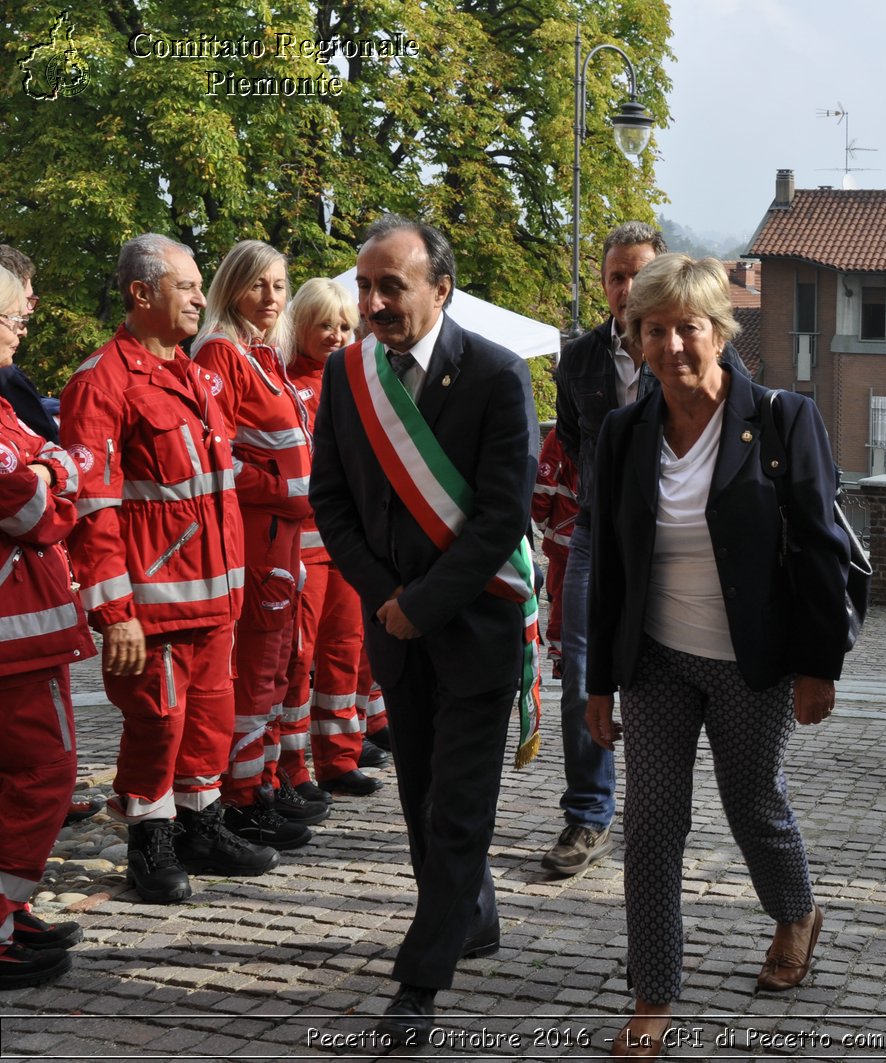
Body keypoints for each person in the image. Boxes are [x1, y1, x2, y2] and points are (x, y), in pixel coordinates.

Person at [584, 254, 848, 1059]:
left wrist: (819, 663)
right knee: (651, 827)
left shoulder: (779, 420)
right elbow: (610, 561)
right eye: (652, 330)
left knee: (751, 803)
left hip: (751, 659)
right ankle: (653, 992)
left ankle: (796, 909)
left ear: (720, 330)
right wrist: (596, 681)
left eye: (686, 327)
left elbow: (821, 548)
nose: (670, 345)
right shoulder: (624, 432)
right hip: (657, 657)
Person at [309, 215, 536, 1038]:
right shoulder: (348, 376)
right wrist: (385, 597)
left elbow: (501, 514)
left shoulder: (498, 376)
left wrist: (423, 601)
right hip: (396, 630)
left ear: (441, 288)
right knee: (420, 800)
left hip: (475, 627)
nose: (373, 302)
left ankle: (419, 984)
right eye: (364, 286)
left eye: (390, 285)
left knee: (458, 810)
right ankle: (469, 916)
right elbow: (329, 500)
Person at [61, 234, 277, 904]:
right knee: (157, 725)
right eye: (185, 286)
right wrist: (115, 612)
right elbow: (91, 509)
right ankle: (148, 842)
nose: (197, 298)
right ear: (141, 293)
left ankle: (200, 824)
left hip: (215, 599)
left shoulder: (197, 375)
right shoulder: (101, 383)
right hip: (152, 606)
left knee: (210, 720)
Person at [550, 222, 748, 877]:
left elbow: (743, 422)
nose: (626, 287)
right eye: (615, 276)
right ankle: (587, 813)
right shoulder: (578, 359)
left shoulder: (701, 341)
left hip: (689, 534)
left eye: (639, 274)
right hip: (598, 530)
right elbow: (576, 440)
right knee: (583, 669)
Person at [192, 241, 325, 848]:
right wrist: (277, 489)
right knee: (256, 669)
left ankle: (263, 784)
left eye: (279, 286)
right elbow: (213, 452)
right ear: (231, 289)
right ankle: (243, 799)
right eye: (257, 286)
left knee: (278, 664)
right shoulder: (222, 352)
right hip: (257, 532)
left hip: (283, 534)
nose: (271, 299)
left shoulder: (262, 354)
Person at [0, 265, 94, 988]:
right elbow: (31, 506)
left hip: (28, 627)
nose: (19, 330)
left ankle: (8, 909)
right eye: (11, 319)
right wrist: (56, 472)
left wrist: (51, 470)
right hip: (15, 633)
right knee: (44, 774)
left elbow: (50, 465)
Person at [280, 278, 390, 802]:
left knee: (345, 652)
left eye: (345, 327)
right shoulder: (280, 378)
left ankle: (339, 758)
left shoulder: (356, 379)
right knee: (297, 661)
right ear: (298, 323)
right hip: (298, 544)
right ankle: (292, 764)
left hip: (347, 542)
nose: (335, 335)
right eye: (324, 324)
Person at [530, 427, 579, 678]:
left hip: (565, 537)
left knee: (561, 599)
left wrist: (543, 524)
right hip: (603, 537)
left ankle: (564, 660)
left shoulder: (562, 434)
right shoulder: (620, 422)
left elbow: (543, 486)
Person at [0, 246, 57, 445]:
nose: (29, 310)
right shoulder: (5, 373)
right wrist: (50, 470)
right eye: (27, 300)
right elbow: (47, 439)